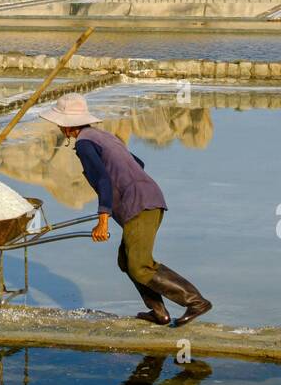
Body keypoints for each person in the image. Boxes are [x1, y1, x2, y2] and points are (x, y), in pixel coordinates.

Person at [39, 94, 212, 327]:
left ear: (68, 125)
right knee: (127, 261)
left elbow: (102, 180)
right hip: (148, 198)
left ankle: (195, 302)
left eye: (60, 123)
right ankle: (159, 313)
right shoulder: (104, 137)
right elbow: (137, 163)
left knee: (139, 266)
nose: (59, 127)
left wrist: (103, 220)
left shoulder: (84, 143)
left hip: (141, 205)